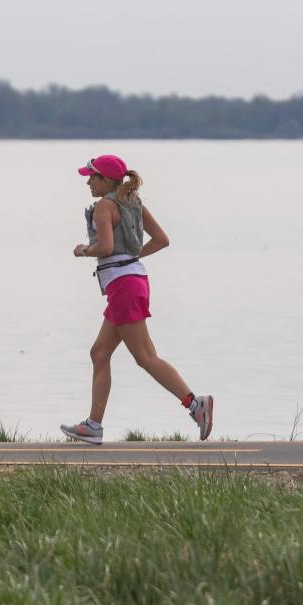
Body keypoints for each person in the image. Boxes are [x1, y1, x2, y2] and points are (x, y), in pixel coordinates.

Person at [61, 154, 213, 444]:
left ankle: (195, 404)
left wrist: (82, 250)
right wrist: (130, 259)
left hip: (123, 287)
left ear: (105, 180)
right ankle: (94, 425)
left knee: (145, 357)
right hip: (134, 281)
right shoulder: (134, 203)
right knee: (99, 353)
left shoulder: (104, 206)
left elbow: (104, 247)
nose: (87, 182)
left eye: (91, 177)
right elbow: (161, 240)